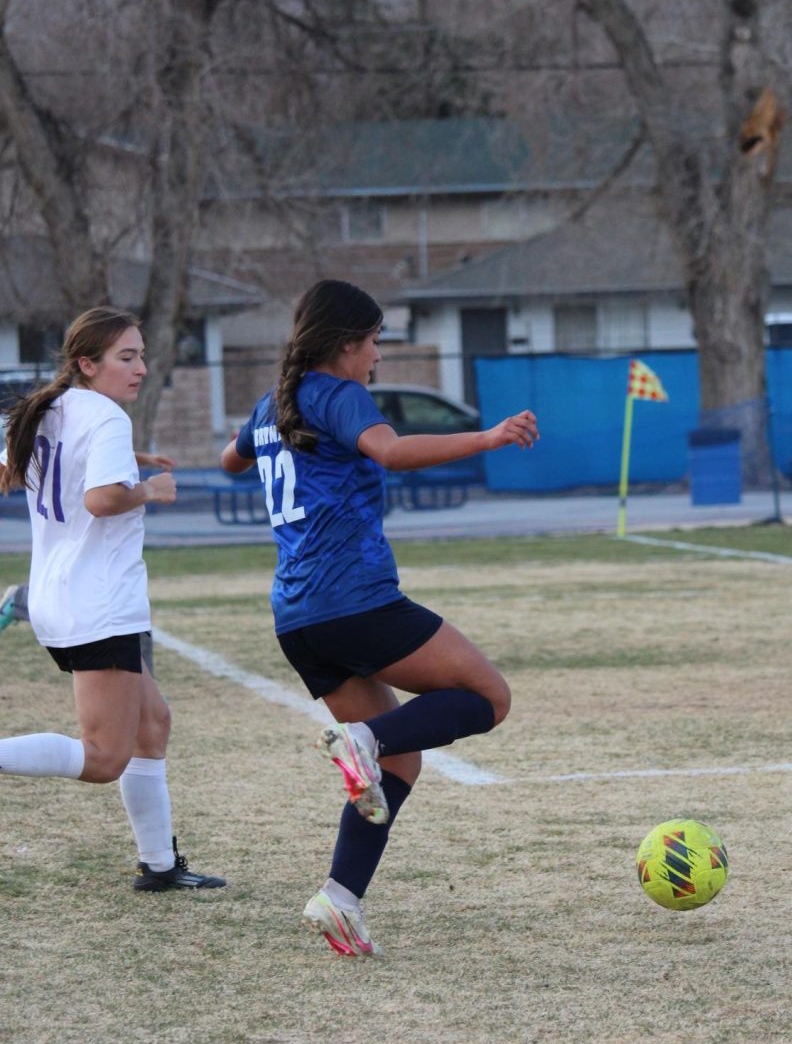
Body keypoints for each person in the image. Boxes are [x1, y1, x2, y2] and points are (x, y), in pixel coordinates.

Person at [221, 278, 538, 957]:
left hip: (298, 619)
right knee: (489, 696)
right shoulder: (338, 394)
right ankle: (361, 740)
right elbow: (391, 451)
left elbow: (230, 460)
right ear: (344, 345)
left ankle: (339, 898)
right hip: (353, 598)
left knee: (402, 763)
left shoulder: (271, 403)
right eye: (373, 342)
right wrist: (487, 437)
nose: (378, 356)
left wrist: (260, 440)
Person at [0, 307, 225, 892]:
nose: (142, 368)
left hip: (58, 597)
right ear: (86, 363)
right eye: (127, 357)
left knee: (153, 723)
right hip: (98, 606)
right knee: (104, 759)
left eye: (142, 355)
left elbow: (17, 473)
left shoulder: (43, 410)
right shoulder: (104, 418)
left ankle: (158, 866)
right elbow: (101, 500)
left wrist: (131, 467)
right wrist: (148, 488)